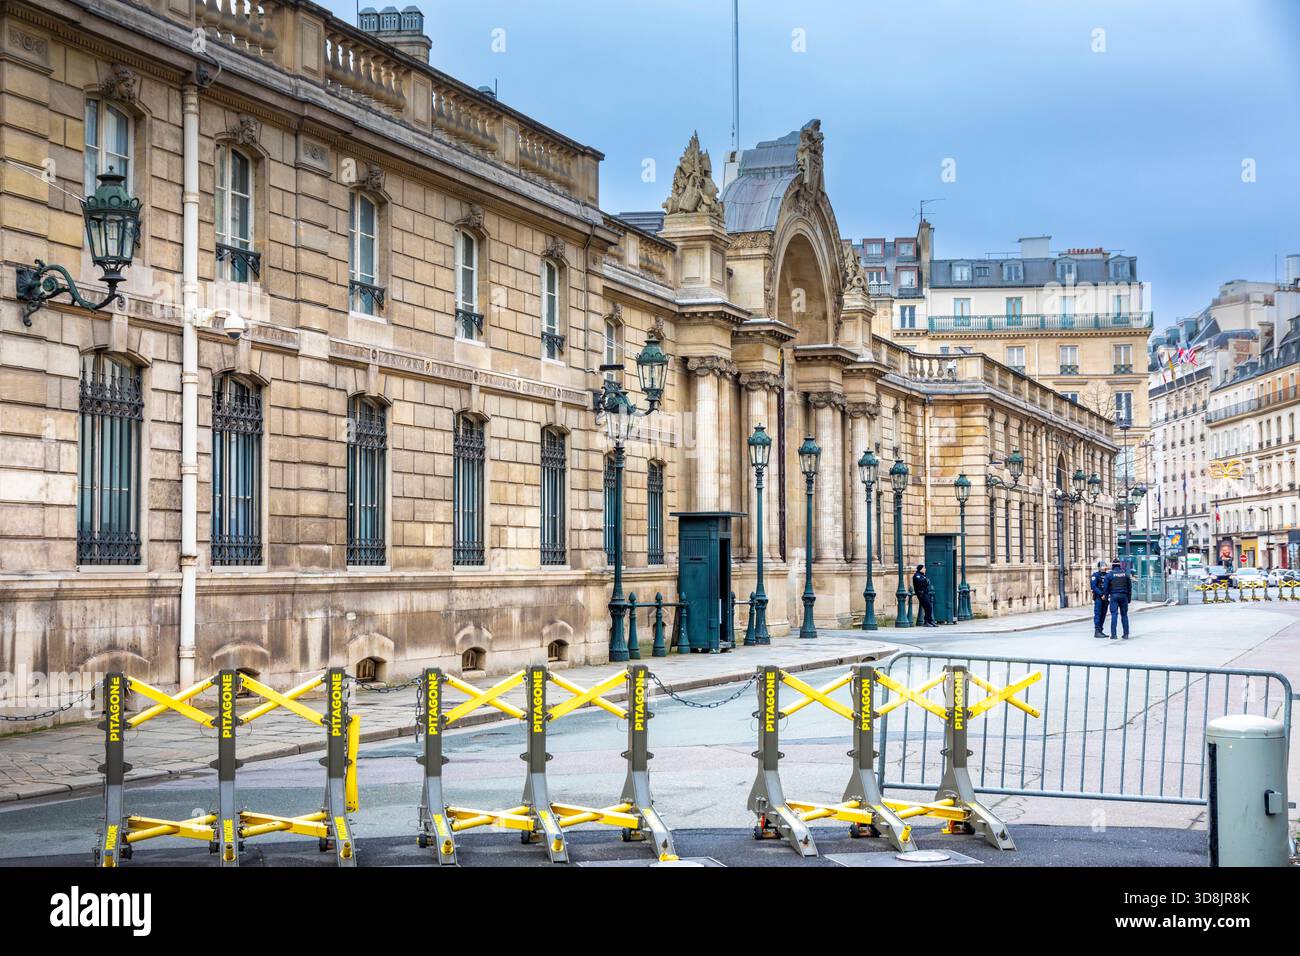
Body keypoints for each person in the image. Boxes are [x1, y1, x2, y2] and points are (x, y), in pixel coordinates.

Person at [1104, 559, 1132, 640]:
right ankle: (1126, 634)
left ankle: (1114, 634)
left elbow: (1105, 588)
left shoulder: (1109, 575)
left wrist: (1106, 597)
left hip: (1114, 596)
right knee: (1124, 615)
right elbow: (1129, 587)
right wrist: (1129, 598)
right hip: (1124, 596)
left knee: (1114, 615)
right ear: (1120, 565)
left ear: (1112, 566)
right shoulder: (1125, 574)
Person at [1090, 560, 1110, 639]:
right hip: (1099, 597)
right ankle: (1097, 631)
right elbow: (1093, 587)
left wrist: (1107, 595)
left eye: (1104, 567)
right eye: (1102, 567)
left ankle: (1100, 630)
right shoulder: (1095, 575)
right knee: (1098, 614)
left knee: (1103, 614)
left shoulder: (1108, 575)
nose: (1103, 568)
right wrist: (1101, 594)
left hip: (1105, 598)